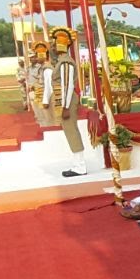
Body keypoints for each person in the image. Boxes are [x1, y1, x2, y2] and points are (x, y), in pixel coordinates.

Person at [44, 27, 88, 177]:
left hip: (67, 100)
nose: (53, 47)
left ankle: (80, 166)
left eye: (55, 44)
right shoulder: (61, 61)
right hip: (64, 99)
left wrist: (66, 106)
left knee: (71, 131)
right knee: (69, 131)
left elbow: (68, 85)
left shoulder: (66, 63)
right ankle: (77, 164)